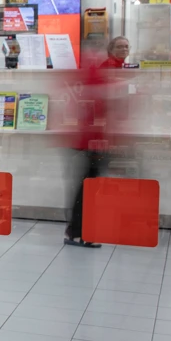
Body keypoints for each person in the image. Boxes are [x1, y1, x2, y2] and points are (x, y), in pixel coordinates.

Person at [64, 37, 110, 248]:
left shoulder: (84, 72)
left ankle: (78, 231)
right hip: (91, 141)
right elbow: (94, 103)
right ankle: (79, 232)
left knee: (85, 187)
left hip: (86, 139)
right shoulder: (91, 72)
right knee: (87, 188)